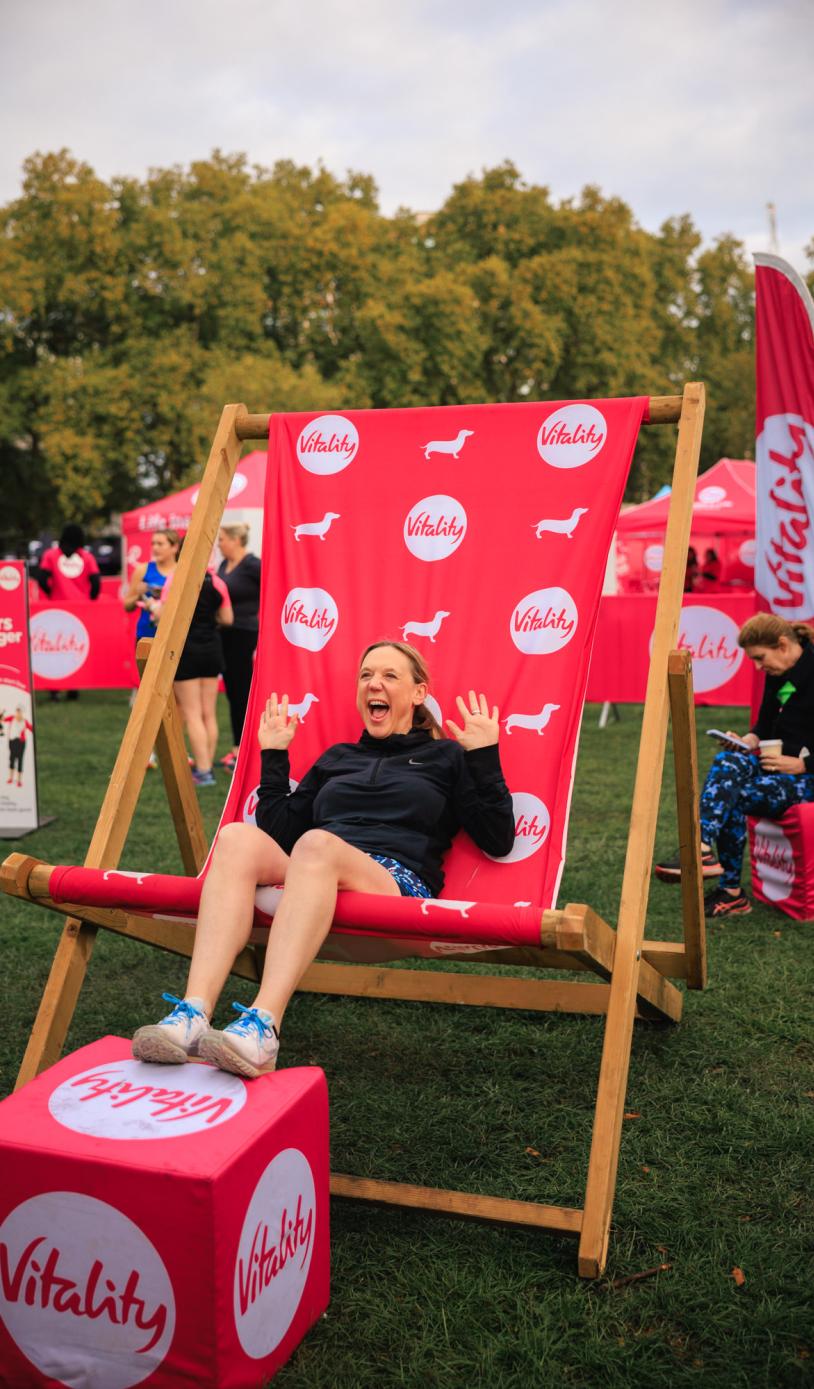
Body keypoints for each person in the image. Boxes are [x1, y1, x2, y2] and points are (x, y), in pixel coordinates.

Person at [132, 640, 515, 1076]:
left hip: (394, 880)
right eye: (367, 675)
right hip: (315, 870)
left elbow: (497, 839)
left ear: (418, 693)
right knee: (238, 837)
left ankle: (263, 1028)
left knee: (316, 845)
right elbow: (281, 834)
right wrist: (274, 756)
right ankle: (193, 1013)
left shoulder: (445, 757)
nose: (375, 683)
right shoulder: (338, 758)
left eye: (390, 676)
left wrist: (484, 756)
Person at [656, 613, 814, 916]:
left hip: (806, 777)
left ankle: (730, 891)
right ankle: (702, 847)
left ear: (782, 645)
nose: (758, 666)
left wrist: (802, 765)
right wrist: (747, 741)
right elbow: (764, 726)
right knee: (728, 759)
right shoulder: (778, 673)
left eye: (759, 658)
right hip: (774, 766)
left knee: (735, 799)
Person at [147, 566, 233, 786]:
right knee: (208, 713)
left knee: (192, 713)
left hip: (186, 649)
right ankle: (207, 766)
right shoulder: (217, 582)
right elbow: (227, 618)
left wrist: (152, 606)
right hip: (212, 648)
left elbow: (162, 615)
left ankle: (204, 771)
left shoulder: (176, 580)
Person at [216, 523, 261, 769]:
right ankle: (238, 747)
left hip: (244, 633)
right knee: (233, 692)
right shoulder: (224, 565)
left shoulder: (254, 565)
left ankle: (242, 750)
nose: (219, 544)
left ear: (235, 540)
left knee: (241, 692)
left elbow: (275, 588)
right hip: (224, 633)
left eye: (222, 539)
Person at [122, 529, 180, 643]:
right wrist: (139, 596)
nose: (155, 548)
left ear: (175, 547)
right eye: (153, 544)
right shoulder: (142, 570)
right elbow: (127, 605)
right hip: (147, 634)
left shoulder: (182, 571)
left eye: (160, 544)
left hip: (174, 635)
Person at [4, 706, 33, 788]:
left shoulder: (25, 721)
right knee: (12, 758)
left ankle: (19, 780)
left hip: (21, 742)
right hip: (12, 741)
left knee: (20, 759)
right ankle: (11, 778)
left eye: (19, 712)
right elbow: (3, 719)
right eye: (17, 712)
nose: (18, 713)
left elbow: (31, 728)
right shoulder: (12, 718)